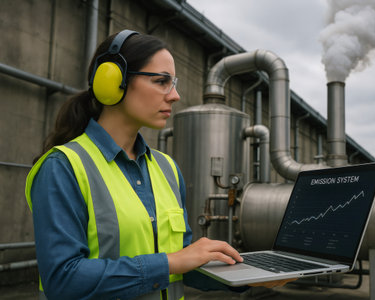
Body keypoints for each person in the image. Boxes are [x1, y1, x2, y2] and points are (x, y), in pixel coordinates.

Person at [25, 29, 245, 300]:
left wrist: (244, 276)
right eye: (162, 81)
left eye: (173, 83)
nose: (175, 95)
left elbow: (182, 265)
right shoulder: (63, 167)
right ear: (112, 82)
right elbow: (63, 279)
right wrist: (170, 262)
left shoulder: (167, 168)